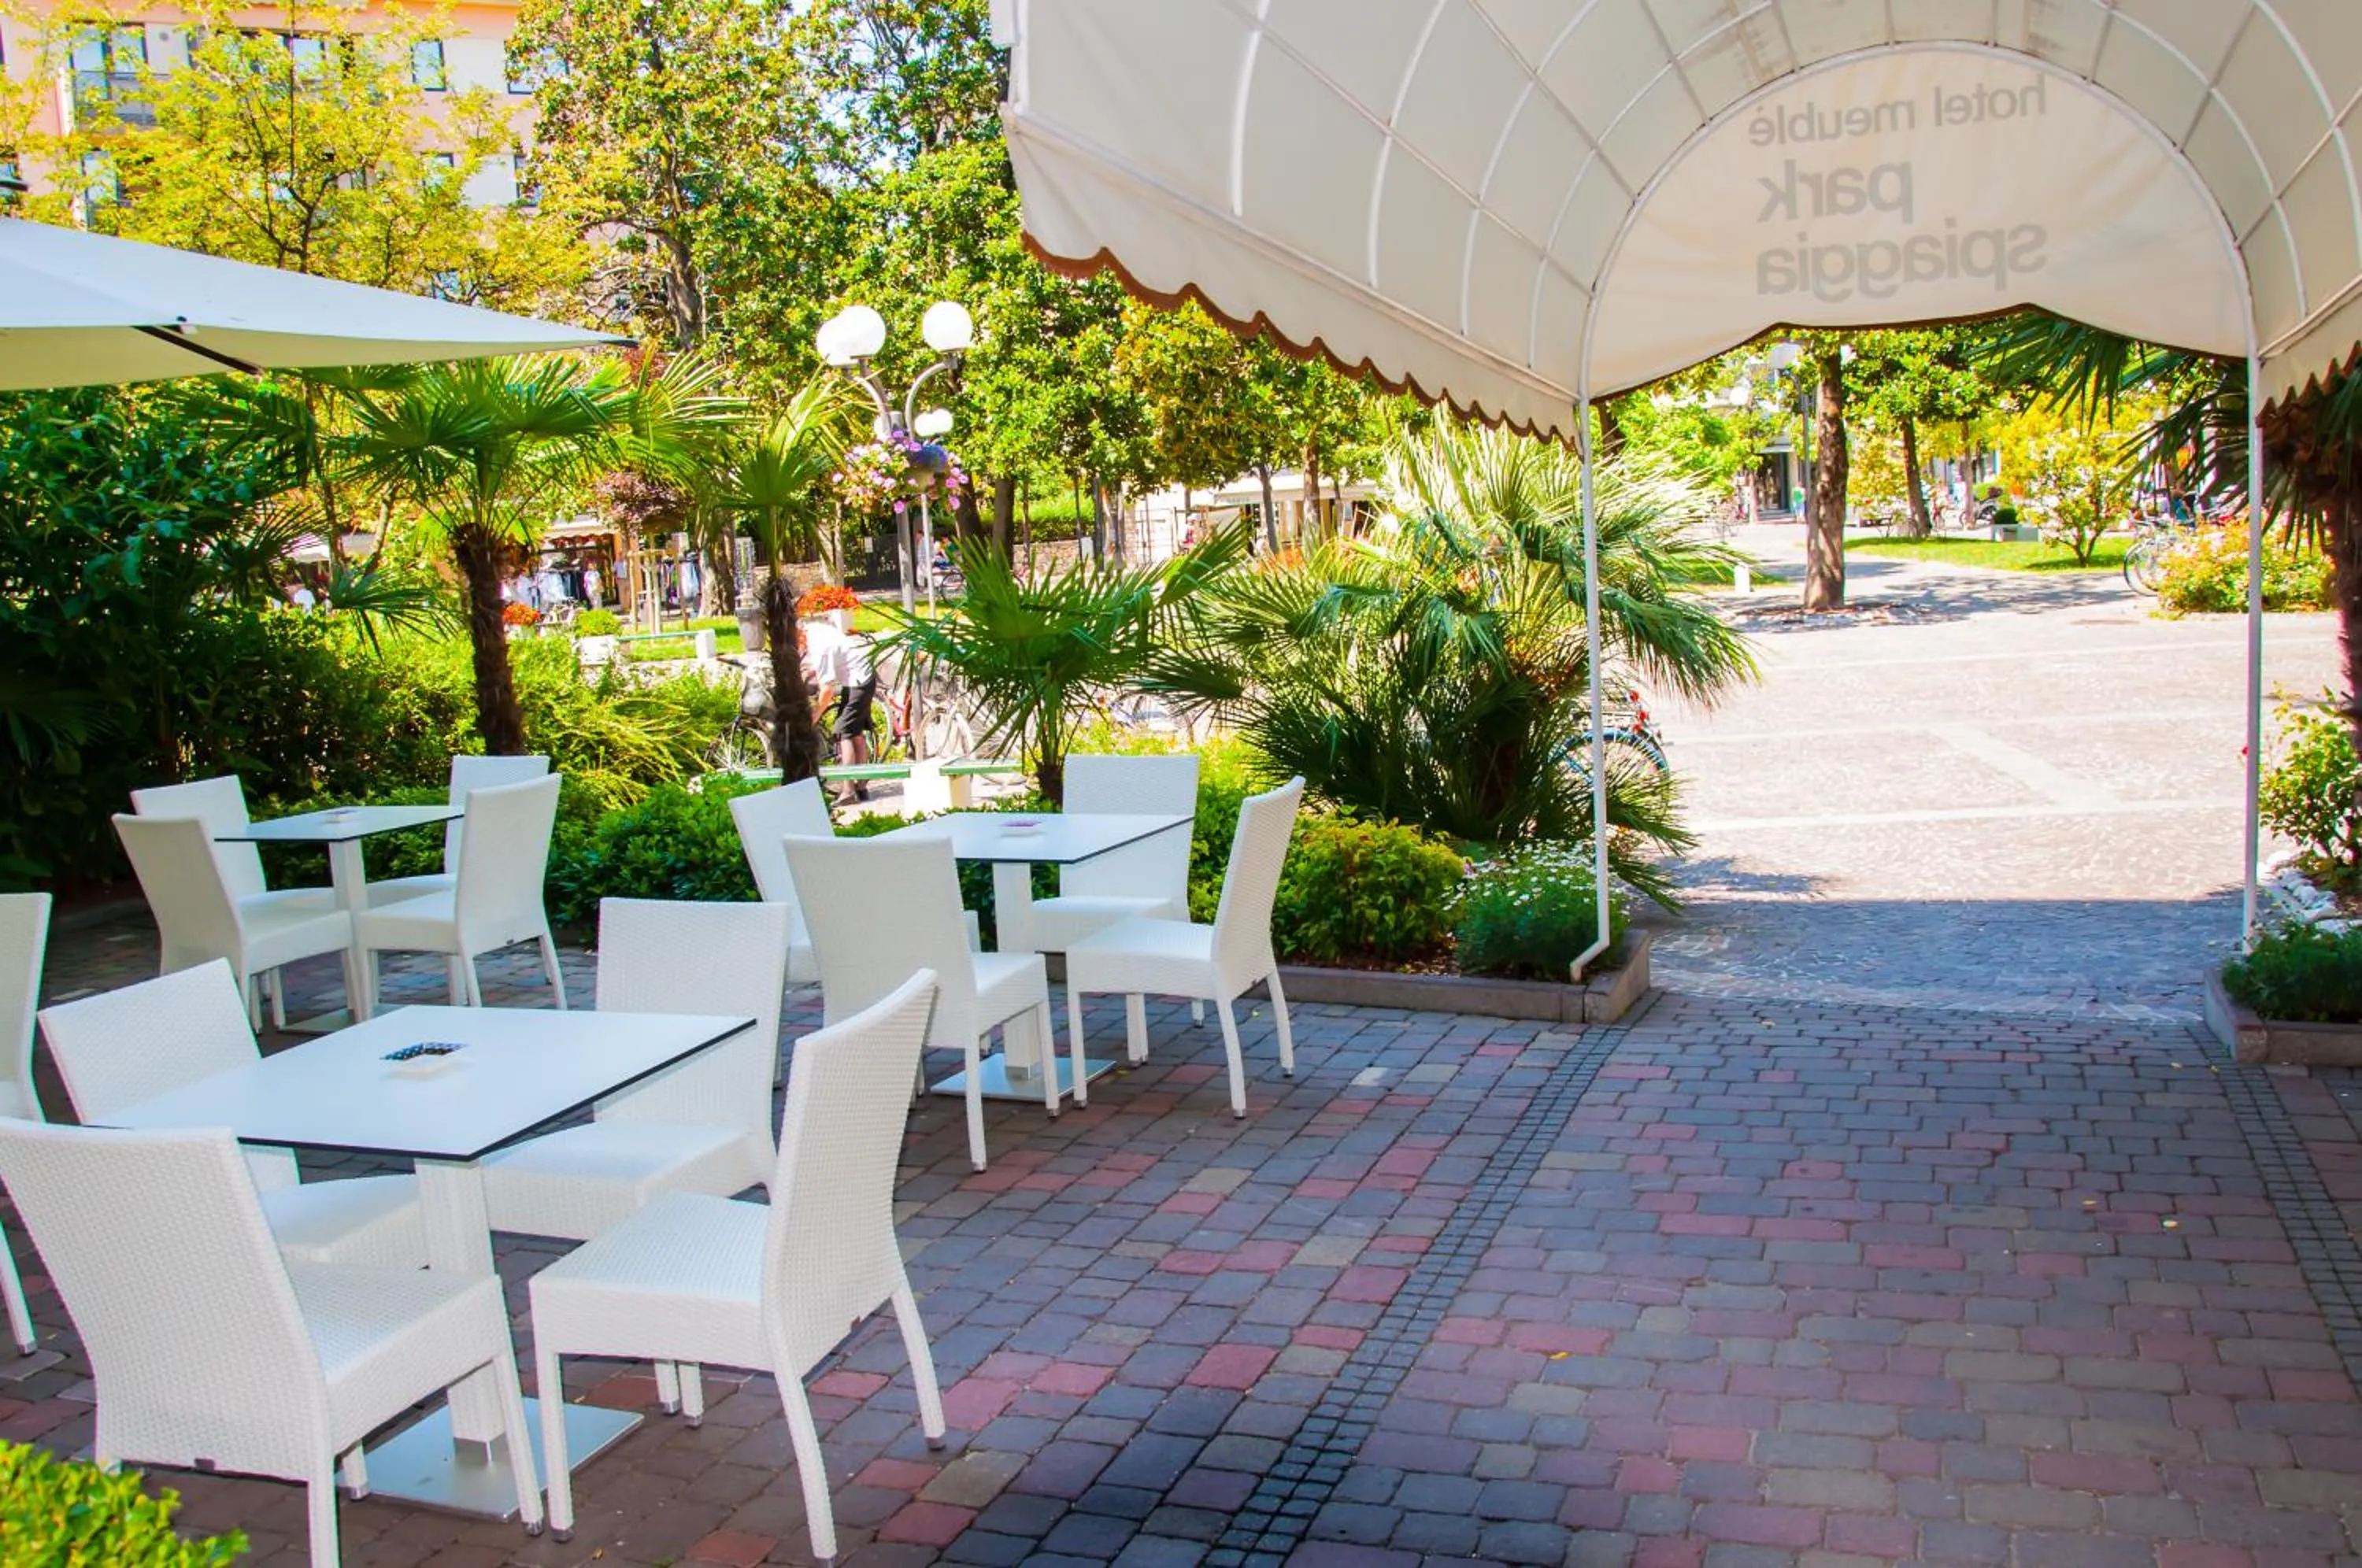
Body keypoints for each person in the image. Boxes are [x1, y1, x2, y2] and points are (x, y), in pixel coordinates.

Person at [804, 616, 878, 805]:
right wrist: (812, 672)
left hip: (858, 681)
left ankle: (848, 791)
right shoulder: (816, 630)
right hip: (861, 677)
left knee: (844, 732)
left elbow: (826, 690)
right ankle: (861, 788)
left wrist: (815, 716)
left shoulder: (819, 646)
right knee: (856, 733)